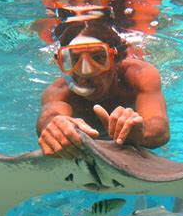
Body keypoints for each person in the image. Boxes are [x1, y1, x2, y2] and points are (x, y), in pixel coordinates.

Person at [36, 20, 170, 159]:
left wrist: (142, 133)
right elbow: (49, 116)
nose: (85, 72)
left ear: (116, 60)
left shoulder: (140, 75)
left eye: (98, 58)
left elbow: (160, 129)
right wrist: (54, 127)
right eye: (75, 60)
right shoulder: (59, 91)